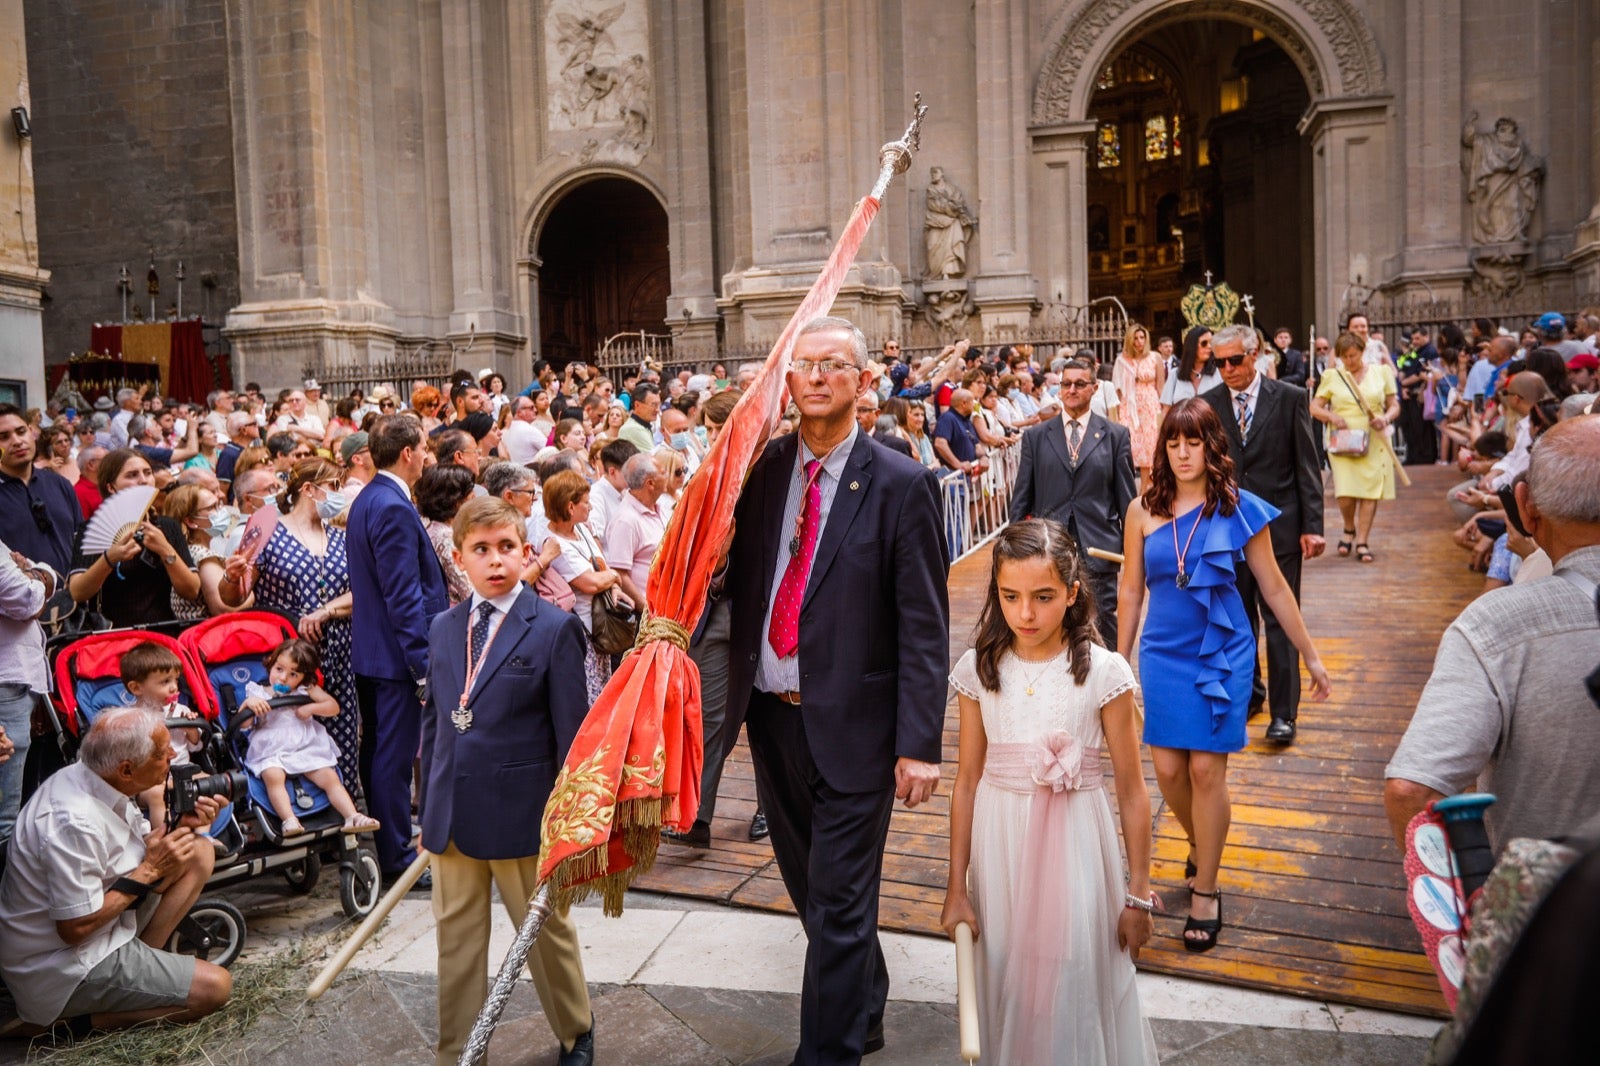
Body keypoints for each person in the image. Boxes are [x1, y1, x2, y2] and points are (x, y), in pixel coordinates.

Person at [723, 315, 949, 1062]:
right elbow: (741, 585)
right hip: (775, 720)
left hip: (860, 728)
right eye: (803, 365)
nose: (816, 377)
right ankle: (867, 1007)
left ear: (861, 381)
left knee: (843, 903)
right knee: (816, 899)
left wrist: (920, 744)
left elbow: (924, 624)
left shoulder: (903, 483)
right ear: (786, 383)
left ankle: (829, 1052)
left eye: (833, 365)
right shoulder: (758, 475)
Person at [1116, 399, 1331, 952]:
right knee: (1167, 771)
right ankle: (1201, 841)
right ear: (1162, 449)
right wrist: (1119, 662)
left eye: (1194, 442)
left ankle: (1207, 888)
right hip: (1163, 652)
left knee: (1208, 773)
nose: (1183, 453)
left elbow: (1276, 587)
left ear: (1213, 446)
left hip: (1223, 651)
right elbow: (1130, 591)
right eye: (1173, 443)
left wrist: (1310, 656)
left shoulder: (1239, 508)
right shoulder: (1140, 510)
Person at [941, 520, 1157, 1064]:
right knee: (1007, 968)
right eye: (1010, 597)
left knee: (1073, 972)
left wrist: (1138, 894)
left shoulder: (1103, 673)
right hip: (1001, 849)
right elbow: (965, 782)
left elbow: (1133, 793)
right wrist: (955, 886)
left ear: (1073, 592)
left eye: (1043, 597)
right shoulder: (980, 670)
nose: (1026, 614)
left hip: (1076, 847)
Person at [420, 497, 595, 1066]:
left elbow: (572, 736)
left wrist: (569, 822)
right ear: (458, 557)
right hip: (452, 814)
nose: (495, 561)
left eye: (506, 548)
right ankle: (459, 1054)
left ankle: (576, 1029)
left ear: (526, 552)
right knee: (458, 946)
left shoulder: (554, 628)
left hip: (524, 813)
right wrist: (429, 807)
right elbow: (437, 720)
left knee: (543, 934)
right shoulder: (445, 627)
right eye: (481, 550)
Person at [1385, 415, 1600, 851]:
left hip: (1548, 907)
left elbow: (1413, 791)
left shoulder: (1496, 624)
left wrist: (1463, 907)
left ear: (1525, 507)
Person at [0, 707, 230, 1034]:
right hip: (63, 965)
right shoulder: (73, 822)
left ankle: (142, 973)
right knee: (215, 988)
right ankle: (66, 1024)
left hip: (104, 930)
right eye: (161, 753)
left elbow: (127, 853)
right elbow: (74, 929)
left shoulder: (93, 775)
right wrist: (148, 872)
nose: (171, 755)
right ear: (126, 769)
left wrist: (179, 827)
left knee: (197, 851)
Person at [1202, 324, 1326, 744]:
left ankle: (1284, 714)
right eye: (1219, 363)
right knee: (1239, 620)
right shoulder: (1208, 404)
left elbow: (1307, 466)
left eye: (1235, 360)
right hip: (1226, 528)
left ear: (1254, 355)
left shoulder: (1290, 398)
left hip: (1280, 524)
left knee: (1280, 617)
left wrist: (1312, 526)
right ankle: (1250, 695)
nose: (1228, 369)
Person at [344, 414, 448, 886]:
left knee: (381, 753)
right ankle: (397, 857)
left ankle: (390, 846)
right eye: (424, 448)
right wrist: (421, 662)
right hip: (393, 655)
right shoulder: (389, 505)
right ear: (407, 453)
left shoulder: (372, 496)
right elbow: (402, 593)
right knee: (393, 757)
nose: (428, 455)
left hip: (375, 650)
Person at [221, 458, 360, 783]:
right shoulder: (268, 532)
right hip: (289, 658)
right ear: (309, 489)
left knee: (341, 739)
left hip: (338, 654)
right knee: (287, 741)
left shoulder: (341, 537)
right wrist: (231, 576)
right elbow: (234, 598)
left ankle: (344, 821)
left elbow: (363, 592)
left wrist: (326, 610)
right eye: (334, 486)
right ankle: (293, 818)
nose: (339, 494)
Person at [1008, 356, 1136, 647]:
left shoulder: (1116, 436)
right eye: (1066, 384)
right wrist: (1013, 553)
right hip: (1049, 549)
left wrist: (1136, 553)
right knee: (1053, 625)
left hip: (1100, 547)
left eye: (1080, 384)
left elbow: (1128, 502)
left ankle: (1108, 683)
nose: (1072, 389)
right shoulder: (1036, 438)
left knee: (1103, 622)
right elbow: (1021, 500)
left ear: (1094, 388)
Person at [238, 638, 377, 836]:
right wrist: (249, 706)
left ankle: (352, 816)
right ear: (271, 663)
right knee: (273, 776)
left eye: (293, 674)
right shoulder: (258, 693)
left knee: (329, 777)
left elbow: (333, 707)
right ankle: (289, 820)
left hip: (304, 745)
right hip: (271, 748)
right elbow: (244, 725)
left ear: (303, 677)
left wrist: (312, 707)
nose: (283, 678)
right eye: (279, 669)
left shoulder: (307, 690)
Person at [67, 450, 199, 626]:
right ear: (111, 487)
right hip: (113, 636)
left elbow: (192, 590)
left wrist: (165, 549)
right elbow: (77, 592)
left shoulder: (168, 526)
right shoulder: (94, 529)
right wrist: (109, 559)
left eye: (147, 472)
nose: (143, 480)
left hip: (163, 633)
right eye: (132, 475)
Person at [1311, 331, 1400, 563]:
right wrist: (1331, 416)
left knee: (1370, 491)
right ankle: (1348, 528)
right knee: (1345, 493)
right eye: (1344, 357)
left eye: (1353, 355)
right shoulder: (1333, 376)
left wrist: (1386, 418)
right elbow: (1315, 407)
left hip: (1373, 435)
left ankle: (1362, 540)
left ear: (1362, 351)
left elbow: (1394, 405)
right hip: (1343, 439)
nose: (1349, 361)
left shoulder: (1381, 372)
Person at [542, 469, 624, 704]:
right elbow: (591, 582)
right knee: (589, 698)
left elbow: (601, 565)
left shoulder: (580, 530)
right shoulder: (556, 544)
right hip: (582, 633)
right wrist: (615, 577)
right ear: (570, 507)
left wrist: (613, 585)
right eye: (585, 503)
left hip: (599, 628)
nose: (590, 508)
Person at [116, 642, 203, 833]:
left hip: (183, 771)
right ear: (136, 688)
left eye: (175, 681)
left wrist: (190, 728)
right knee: (157, 795)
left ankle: (204, 835)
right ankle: (164, 836)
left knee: (209, 784)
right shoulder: (131, 718)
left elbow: (196, 745)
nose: (173, 688)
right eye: (165, 682)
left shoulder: (181, 711)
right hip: (150, 780)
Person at [0, 539, 52, 842]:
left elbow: (47, 579)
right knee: (5, 821)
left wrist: (35, 574)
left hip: (18, 681)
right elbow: (26, 599)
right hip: (6, 684)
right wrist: (37, 576)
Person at [0, 403, 83, 579]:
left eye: (21, 431)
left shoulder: (60, 484)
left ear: (32, 432)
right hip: (22, 602)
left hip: (73, 599)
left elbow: (81, 540)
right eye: (4, 437)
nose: (16, 441)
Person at [163, 483, 245, 619]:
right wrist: (251, 593)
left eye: (219, 504)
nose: (222, 511)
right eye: (212, 508)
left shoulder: (187, 552)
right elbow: (223, 608)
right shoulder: (204, 558)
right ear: (190, 521)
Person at [604, 451, 667, 615]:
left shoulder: (659, 508)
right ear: (650, 483)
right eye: (663, 472)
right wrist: (648, 612)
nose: (667, 474)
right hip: (650, 614)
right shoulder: (626, 521)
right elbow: (619, 573)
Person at [417, 463, 479, 606]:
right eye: (470, 494)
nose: (474, 497)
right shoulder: (446, 537)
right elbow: (469, 589)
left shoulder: (432, 528)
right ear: (455, 500)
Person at [1111, 323, 1165, 482]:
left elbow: (1161, 386)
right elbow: (1118, 388)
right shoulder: (1122, 361)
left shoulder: (1155, 357)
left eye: (1142, 337)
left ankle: (1150, 486)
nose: (1139, 341)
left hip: (1150, 404)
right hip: (1130, 405)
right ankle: (1135, 485)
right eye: (1135, 338)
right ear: (1130, 340)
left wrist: (1163, 410)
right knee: (1132, 444)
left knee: (1151, 443)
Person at [1160, 326, 1219, 413]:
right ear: (1192, 345)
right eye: (1204, 343)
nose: (1209, 347)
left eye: (1212, 343)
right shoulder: (1174, 375)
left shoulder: (1219, 373)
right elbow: (1166, 411)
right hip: (1180, 426)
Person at [502, 395, 543, 463]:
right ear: (519, 412)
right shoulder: (528, 430)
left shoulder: (511, 429)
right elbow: (550, 451)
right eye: (531, 408)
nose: (535, 410)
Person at [619, 382, 659, 453]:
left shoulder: (641, 425)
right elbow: (655, 459)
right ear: (637, 405)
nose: (657, 410)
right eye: (653, 405)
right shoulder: (633, 429)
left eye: (658, 404)